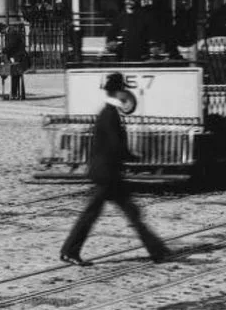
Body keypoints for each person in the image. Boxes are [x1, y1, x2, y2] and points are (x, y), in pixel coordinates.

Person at [61, 73, 170, 265]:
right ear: (118, 91)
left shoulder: (108, 112)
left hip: (107, 172)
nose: (125, 93)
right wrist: (132, 156)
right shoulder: (110, 114)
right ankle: (70, 250)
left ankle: (157, 250)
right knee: (106, 214)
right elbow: (114, 145)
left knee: (128, 212)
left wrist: (130, 156)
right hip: (107, 174)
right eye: (123, 90)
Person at [1, 19, 27, 101]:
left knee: (15, 74)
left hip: (20, 57)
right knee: (14, 75)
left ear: (3, 29)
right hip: (16, 56)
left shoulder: (11, 32)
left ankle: (15, 94)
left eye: (2, 32)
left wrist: (3, 51)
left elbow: (11, 46)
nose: (2, 34)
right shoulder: (10, 32)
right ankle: (15, 93)